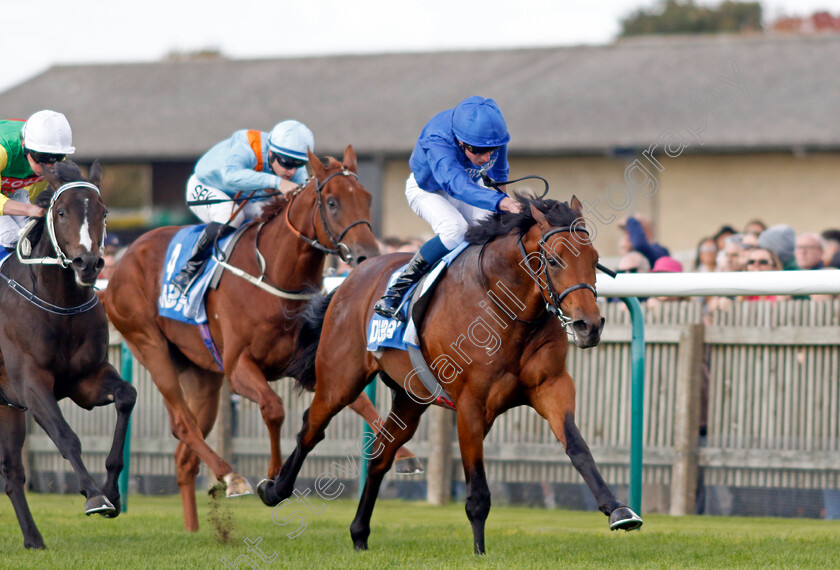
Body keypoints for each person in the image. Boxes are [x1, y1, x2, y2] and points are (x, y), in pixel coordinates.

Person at [374, 96, 520, 320]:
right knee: (455, 230)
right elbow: (456, 185)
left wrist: (503, 200)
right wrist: (501, 202)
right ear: (461, 142)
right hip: (429, 190)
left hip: (468, 184)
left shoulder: (492, 136)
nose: (486, 157)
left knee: (496, 224)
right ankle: (396, 292)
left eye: (492, 149)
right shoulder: (438, 139)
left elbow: (499, 173)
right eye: (479, 151)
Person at [172, 120, 315, 293]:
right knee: (230, 215)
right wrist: (277, 182)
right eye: (287, 163)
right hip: (205, 186)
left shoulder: (291, 161)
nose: (292, 171)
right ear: (271, 152)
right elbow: (230, 176)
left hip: (244, 198)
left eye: (299, 164)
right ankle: (189, 269)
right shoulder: (246, 145)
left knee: (274, 218)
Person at [0, 110, 75, 248]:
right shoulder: (3, 149)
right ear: (24, 146)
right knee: (9, 236)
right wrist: (28, 209)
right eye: (41, 159)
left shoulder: (54, 151)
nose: (48, 167)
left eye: (56, 159)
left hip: (10, 193)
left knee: (34, 235)